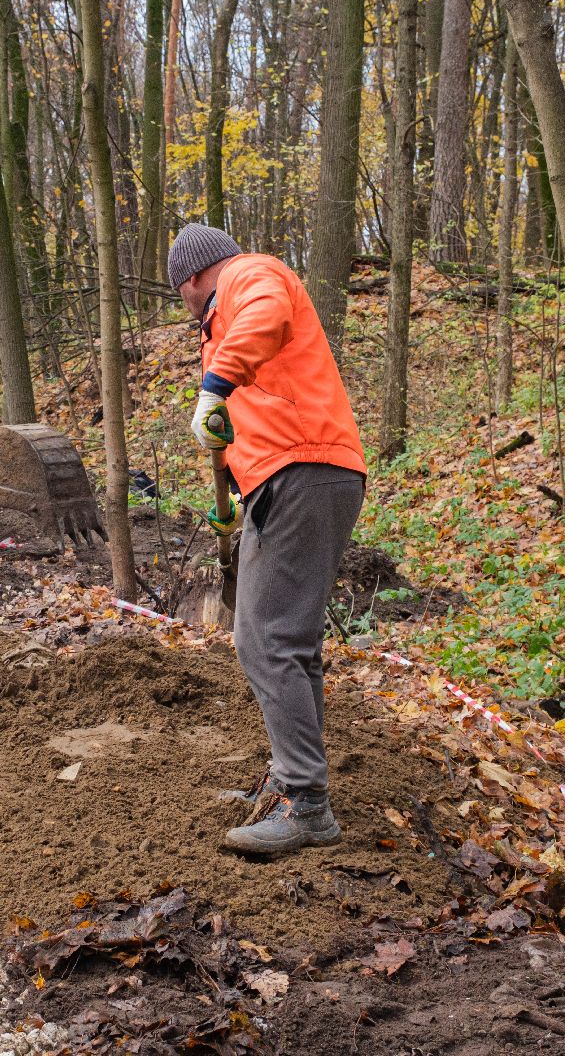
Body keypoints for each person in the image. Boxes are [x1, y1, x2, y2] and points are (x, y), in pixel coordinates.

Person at [168, 223, 368, 858]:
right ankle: (294, 783)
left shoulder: (248, 277)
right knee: (291, 642)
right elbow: (230, 427)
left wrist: (214, 386)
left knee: (266, 638)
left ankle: (307, 804)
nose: (188, 308)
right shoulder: (221, 323)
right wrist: (230, 497)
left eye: (183, 295)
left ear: (195, 279)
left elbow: (265, 317)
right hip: (294, 476)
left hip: (304, 470)